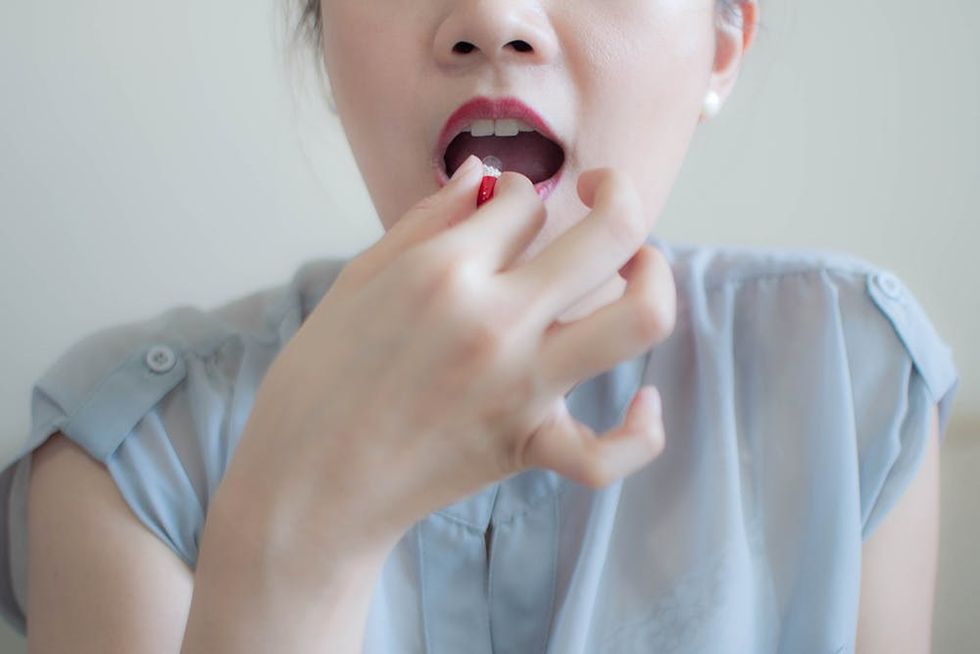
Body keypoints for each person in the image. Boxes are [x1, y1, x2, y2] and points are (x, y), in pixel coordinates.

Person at [0, 0, 960, 652]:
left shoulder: (851, 380)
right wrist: (301, 533)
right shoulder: (127, 458)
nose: (492, 17)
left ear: (721, 49)